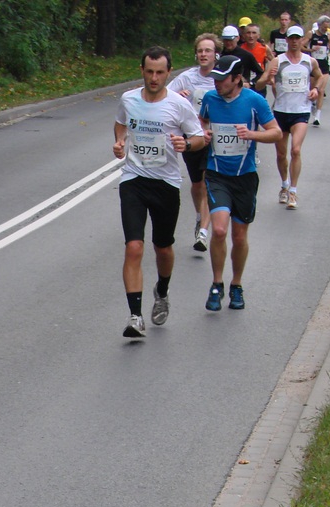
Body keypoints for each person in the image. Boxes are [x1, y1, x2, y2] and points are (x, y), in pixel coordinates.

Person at [112, 45, 206, 338]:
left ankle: (162, 291)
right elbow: (120, 123)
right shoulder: (129, 99)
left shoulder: (178, 104)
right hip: (134, 180)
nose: (154, 78)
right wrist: (120, 142)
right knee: (134, 246)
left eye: (160, 73)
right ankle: (135, 316)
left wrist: (186, 144)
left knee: (163, 247)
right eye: (149, 72)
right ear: (142, 71)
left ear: (169, 73)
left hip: (166, 184)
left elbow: (200, 137)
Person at [199, 55, 282, 311]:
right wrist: (203, 133)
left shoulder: (254, 101)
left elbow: (276, 132)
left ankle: (236, 284)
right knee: (219, 230)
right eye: (215, 79)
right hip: (217, 174)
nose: (217, 84)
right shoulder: (210, 99)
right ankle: (216, 284)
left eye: (222, 79)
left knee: (239, 235)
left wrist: (252, 134)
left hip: (245, 177)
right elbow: (201, 121)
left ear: (237, 79)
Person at [168, 33, 220, 252]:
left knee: (208, 183)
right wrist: (177, 95)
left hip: (215, 139)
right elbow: (164, 95)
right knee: (197, 184)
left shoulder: (221, 78)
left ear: (216, 54)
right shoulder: (187, 77)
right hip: (192, 138)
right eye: (200, 51)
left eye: (208, 50)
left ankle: (203, 232)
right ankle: (200, 216)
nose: (203, 54)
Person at [266, 25, 324, 209]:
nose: (294, 41)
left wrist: (316, 89)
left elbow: (320, 77)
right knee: (281, 153)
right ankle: (284, 185)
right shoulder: (278, 61)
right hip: (281, 111)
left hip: (301, 111)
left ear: (301, 40)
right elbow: (266, 79)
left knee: (296, 150)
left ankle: (293, 190)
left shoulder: (309, 61)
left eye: (297, 38)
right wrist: (270, 80)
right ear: (287, 40)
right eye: (291, 38)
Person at [221, 26, 264, 90]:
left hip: (241, 90)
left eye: (230, 40)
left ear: (237, 38)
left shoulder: (246, 55)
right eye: (225, 40)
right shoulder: (219, 54)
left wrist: (251, 83)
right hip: (223, 89)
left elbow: (260, 73)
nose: (228, 43)